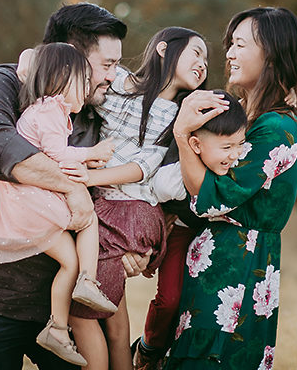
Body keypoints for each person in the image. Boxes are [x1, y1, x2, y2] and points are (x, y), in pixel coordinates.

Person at [0, 2, 131, 370]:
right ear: (70, 57)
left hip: (65, 307)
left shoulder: (91, 109)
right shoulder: (0, 83)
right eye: (107, 65)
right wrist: (72, 188)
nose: (113, 76)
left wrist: (137, 244)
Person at [164, 7, 297, 370]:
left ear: (272, 54)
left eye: (240, 44)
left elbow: (213, 197)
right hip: (216, 267)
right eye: (230, 44)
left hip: (238, 273)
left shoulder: (276, 128)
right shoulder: (246, 121)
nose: (229, 53)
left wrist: (182, 135)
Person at [67, 27, 209, 370]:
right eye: (197, 53)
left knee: (82, 317)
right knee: (114, 320)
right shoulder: (120, 81)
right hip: (122, 209)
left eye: (207, 59)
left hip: (126, 210)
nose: (204, 64)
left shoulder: (178, 114)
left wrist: (89, 176)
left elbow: (143, 167)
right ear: (164, 49)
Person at [131, 91, 250, 370]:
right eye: (225, 147)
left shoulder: (239, 167)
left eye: (240, 145)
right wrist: (155, 242)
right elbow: (150, 206)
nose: (234, 155)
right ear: (195, 145)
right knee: (170, 298)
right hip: (182, 233)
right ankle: (149, 347)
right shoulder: (171, 179)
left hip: (218, 236)